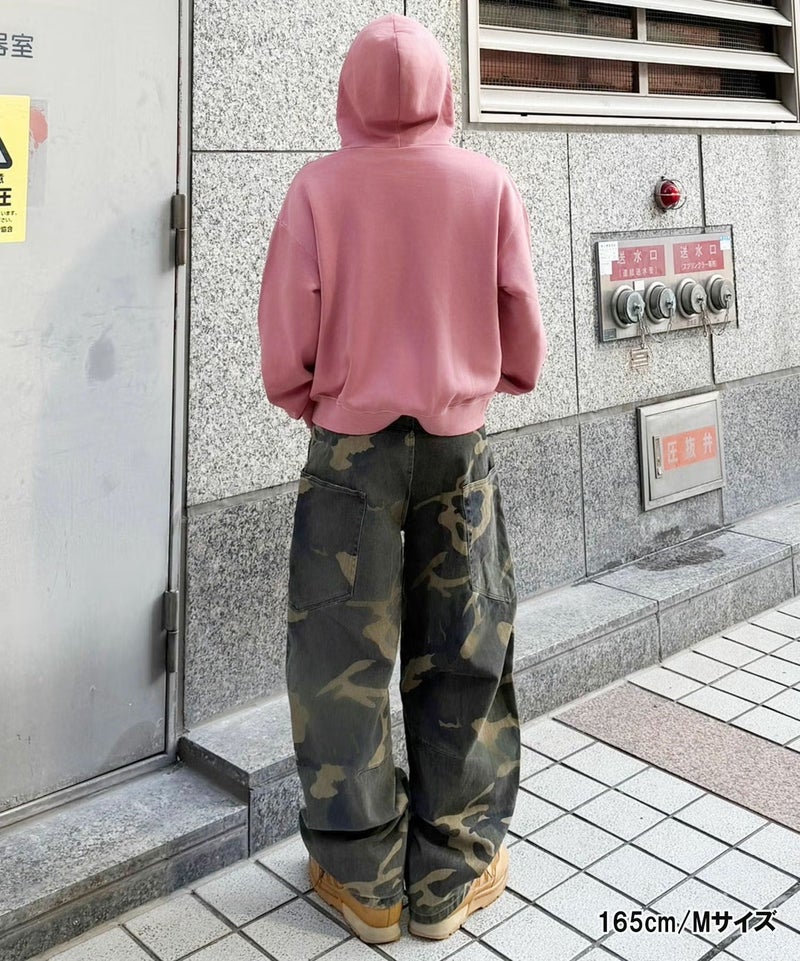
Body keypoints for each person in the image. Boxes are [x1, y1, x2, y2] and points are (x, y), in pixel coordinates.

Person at [257, 13, 547, 944]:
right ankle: (450, 874)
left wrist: (317, 397)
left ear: (348, 92)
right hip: (457, 449)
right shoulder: (485, 184)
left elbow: (286, 338)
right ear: (444, 90)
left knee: (340, 662)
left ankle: (365, 882)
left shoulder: (318, 188)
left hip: (350, 455)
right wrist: (480, 382)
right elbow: (521, 330)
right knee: (465, 644)